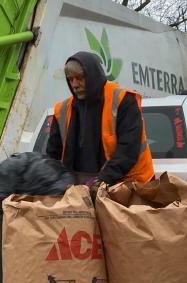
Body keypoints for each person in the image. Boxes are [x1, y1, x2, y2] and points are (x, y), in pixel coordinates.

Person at [45, 51, 154, 188]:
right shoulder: (63, 109)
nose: (75, 84)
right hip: (83, 186)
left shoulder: (122, 100)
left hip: (130, 185)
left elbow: (128, 148)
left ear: (92, 76)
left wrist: (103, 180)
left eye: (79, 78)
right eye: (70, 79)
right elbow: (52, 154)